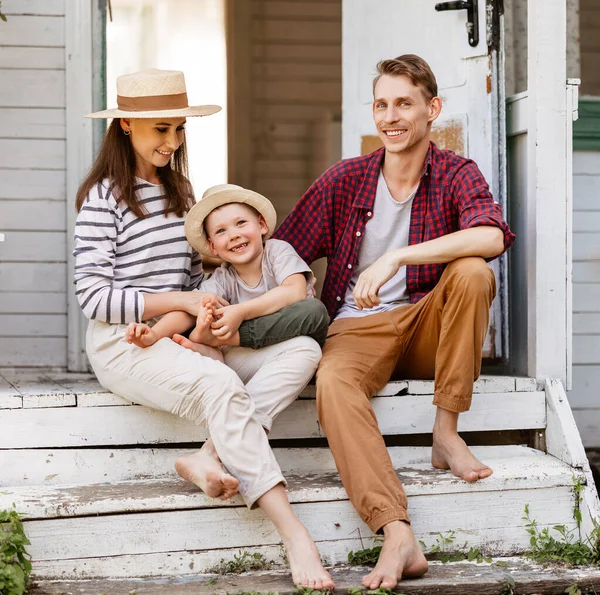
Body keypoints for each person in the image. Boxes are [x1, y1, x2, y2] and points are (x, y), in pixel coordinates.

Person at [73, 68, 334, 589]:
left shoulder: (182, 194)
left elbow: (198, 281)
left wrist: (208, 318)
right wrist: (180, 305)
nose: (171, 142)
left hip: (184, 335)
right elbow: (93, 297)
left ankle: (209, 455)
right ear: (126, 125)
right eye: (160, 129)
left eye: (178, 129)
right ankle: (294, 534)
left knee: (303, 349)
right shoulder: (103, 197)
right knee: (223, 385)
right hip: (125, 342)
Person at [273, 54, 516, 589]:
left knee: (473, 272)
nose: (391, 116)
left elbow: (492, 236)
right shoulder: (346, 179)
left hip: (428, 326)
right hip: (357, 328)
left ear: (432, 108)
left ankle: (445, 433)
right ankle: (396, 531)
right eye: (381, 105)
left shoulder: (455, 172)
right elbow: (283, 251)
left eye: (404, 103)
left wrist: (397, 257)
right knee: (334, 381)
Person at [124, 183, 329, 358]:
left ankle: (216, 344)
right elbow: (188, 310)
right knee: (203, 316)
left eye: (240, 223)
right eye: (221, 231)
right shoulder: (224, 277)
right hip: (253, 353)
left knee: (314, 310)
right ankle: (211, 348)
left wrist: (239, 312)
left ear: (262, 225)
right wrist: (154, 334)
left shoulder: (277, 251)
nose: (234, 235)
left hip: (295, 337)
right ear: (213, 246)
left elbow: (295, 291)